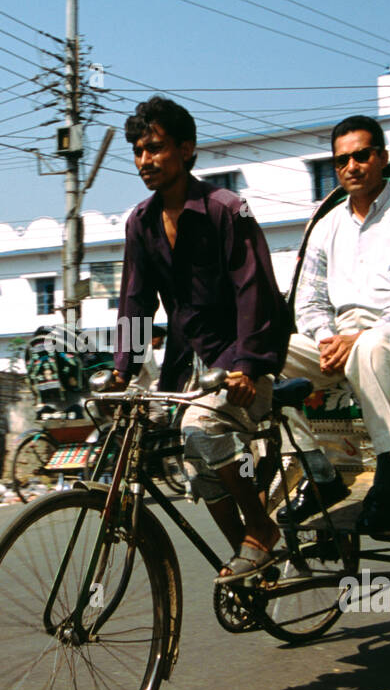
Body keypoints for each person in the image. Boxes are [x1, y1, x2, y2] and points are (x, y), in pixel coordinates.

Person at [112, 96, 293, 583]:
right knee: (192, 464)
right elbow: (135, 301)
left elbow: (255, 291)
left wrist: (249, 367)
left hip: (243, 358)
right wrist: (122, 369)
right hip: (186, 363)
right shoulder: (140, 222)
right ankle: (253, 559)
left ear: (186, 149)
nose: (144, 161)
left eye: (154, 148)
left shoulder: (227, 210)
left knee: (202, 429)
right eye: (137, 151)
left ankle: (261, 531)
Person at [284, 115, 390, 534]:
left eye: (361, 156)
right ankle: (319, 472)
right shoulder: (326, 227)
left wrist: (358, 338)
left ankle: (386, 475)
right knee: (265, 355)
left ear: (382, 157)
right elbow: (309, 300)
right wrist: (327, 340)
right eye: (341, 160)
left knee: (374, 345)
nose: (350, 167)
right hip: (340, 340)